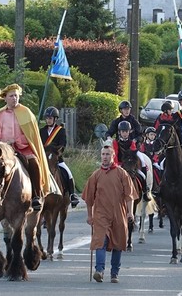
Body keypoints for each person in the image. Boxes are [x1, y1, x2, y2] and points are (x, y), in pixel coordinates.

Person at [83, 145, 135, 283]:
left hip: (119, 213)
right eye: (103, 154)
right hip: (101, 214)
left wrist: (130, 212)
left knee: (118, 243)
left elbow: (129, 195)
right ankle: (99, 270)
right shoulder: (96, 175)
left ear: (113, 156)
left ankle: (114, 273)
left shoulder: (122, 173)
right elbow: (89, 198)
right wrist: (89, 215)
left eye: (107, 154)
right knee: (101, 240)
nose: (105, 157)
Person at [39, 106, 80, 208]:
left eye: (50, 118)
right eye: (47, 118)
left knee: (68, 173)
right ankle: (35, 196)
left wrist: (57, 154)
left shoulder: (60, 131)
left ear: (55, 119)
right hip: (44, 159)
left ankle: (72, 194)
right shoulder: (41, 131)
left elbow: (63, 145)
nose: (48, 120)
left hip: (56, 158)